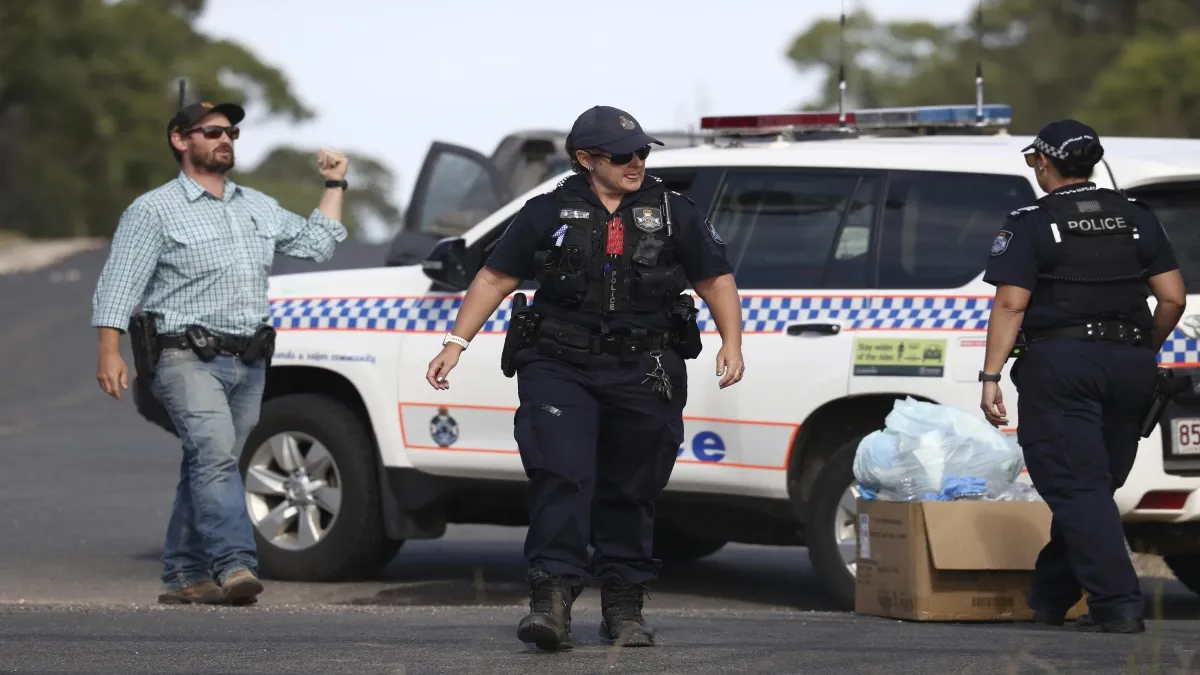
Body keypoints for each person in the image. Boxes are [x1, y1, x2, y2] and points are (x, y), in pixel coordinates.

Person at [424, 105, 745, 651]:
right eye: (622, 155)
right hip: (559, 364)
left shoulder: (673, 211)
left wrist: (732, 342)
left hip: (646, 367)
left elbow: (716, 280)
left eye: (642, 151)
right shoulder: (547, 211)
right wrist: (455, 344)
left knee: (631, 488)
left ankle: (624, 605)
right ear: (585, 159)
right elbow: (496, 277)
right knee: (562, 475)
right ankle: (551, 600)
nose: (636, 162)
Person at [91, 99, 351, 606]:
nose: (225, 139)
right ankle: (235, 564)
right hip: (182, 356)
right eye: (211, 132)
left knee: (214, 461)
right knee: (213, 454)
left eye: (231, 131)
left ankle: (184, 574)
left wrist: (335, 184)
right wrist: (109, 350)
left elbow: (317, 244)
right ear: (180, 139)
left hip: (249, 361)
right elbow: (119, 283)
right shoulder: (154, 210)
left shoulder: (256, 204)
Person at [978, 119, 1187, 634]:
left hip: (1063, 365)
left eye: (1033, 161)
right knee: (1092, 486)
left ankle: (1118, 605)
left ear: (1045, 162)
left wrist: (990, 375)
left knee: (1077, 488)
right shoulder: (1137, 215)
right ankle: (1049, 597)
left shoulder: (1030, 221)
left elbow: (1009, 305)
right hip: (1132, 363)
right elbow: (1173, 297)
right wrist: (1144, 349)